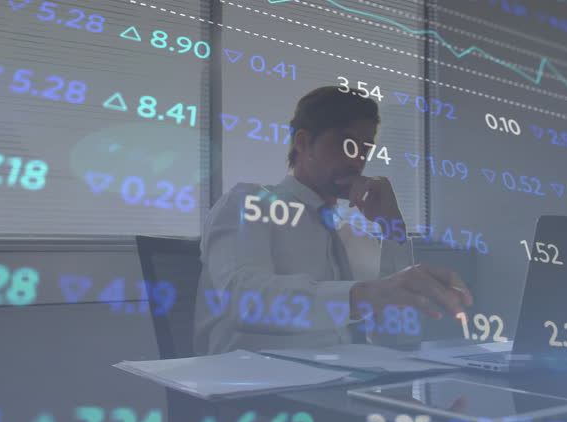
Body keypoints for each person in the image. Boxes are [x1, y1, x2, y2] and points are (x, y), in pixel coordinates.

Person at [193, 86, 473, 355]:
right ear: (302, 143)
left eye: (365, 149)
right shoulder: (248, 202)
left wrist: (393, 231)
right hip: (255, 391)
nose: (358, 160)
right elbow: (245, 301)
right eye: (346, 144)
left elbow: (397, 337)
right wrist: (366, 295)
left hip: (346, 386)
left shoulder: (351, 235)